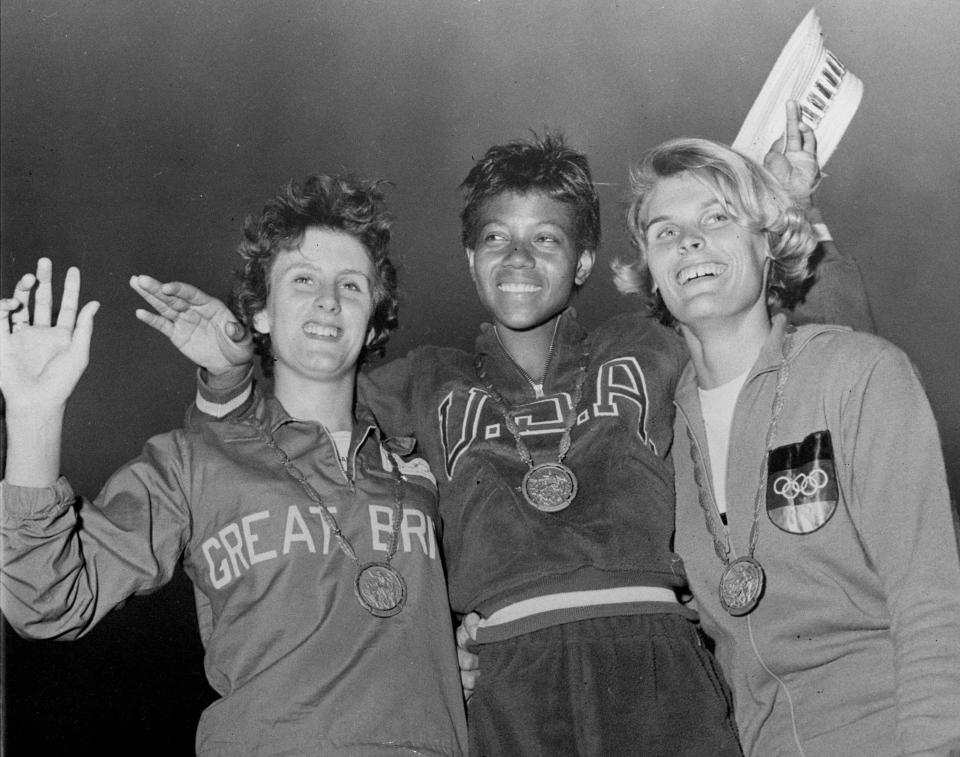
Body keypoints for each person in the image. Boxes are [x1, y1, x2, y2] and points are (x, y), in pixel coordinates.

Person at [137, 105, 868, 756]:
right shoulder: (423, 380)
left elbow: (813, 347)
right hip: (507, 680)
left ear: (583, 260)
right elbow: (292, 435)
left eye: (546, 241)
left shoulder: (652, 345)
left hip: (658, 662)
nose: (518, 259)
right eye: (496, 238)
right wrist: (229, 376)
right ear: (470, 259)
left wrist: (793, 206)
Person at [0, 175, 468, 756]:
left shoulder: (422, 466)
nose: (328, 299)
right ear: (261, 315)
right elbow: (46, 600)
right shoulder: (193, 462)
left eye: (350, 285)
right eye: (303, 280)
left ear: (373, 321)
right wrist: (33, 413)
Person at [612, 137, 960, 756]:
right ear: (649, 272)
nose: (688, 241)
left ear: (768, 242)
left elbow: (932, 600)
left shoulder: (857, 375)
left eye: (717, 218)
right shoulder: (657, 438)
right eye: (664, 232)